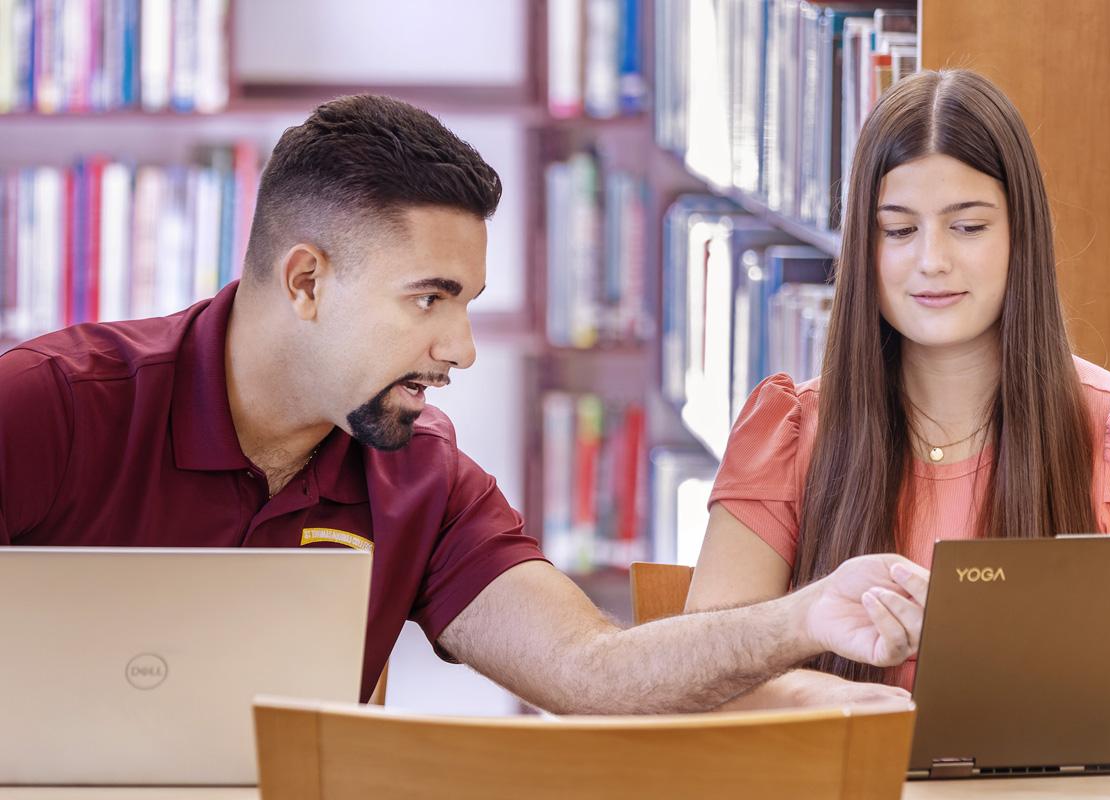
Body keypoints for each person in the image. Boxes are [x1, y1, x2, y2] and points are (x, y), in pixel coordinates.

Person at [0, 94, 928, 715]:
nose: (460, 349)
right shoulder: (51, 407)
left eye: (468, 305)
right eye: (429, 298)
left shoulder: (423, 479)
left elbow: (588, 672)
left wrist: (803, 619)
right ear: (307, 280)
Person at [686, 68, 1110, 708]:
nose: (931, 260)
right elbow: (699, 671)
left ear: (1022, 235)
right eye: (899, 230)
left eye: (968, 226)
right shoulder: (789, 435)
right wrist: (817, 700)